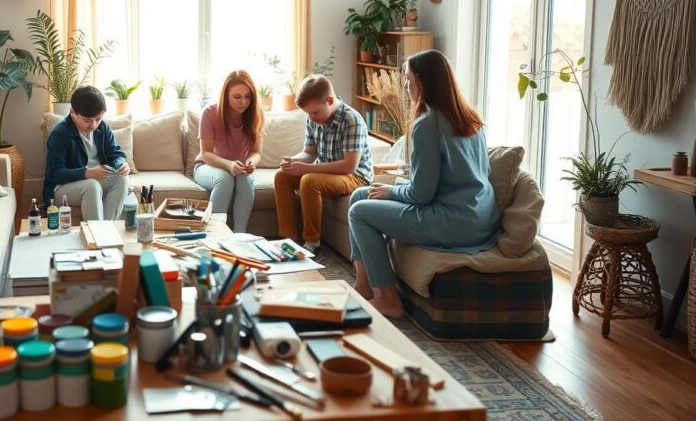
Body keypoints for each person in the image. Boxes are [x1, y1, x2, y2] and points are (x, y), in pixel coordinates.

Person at [348, 50, 499, 318]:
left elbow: (421, 194)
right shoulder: (472, 119)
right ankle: (364, 287)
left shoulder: (428, 125)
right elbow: (472, 174)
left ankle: (388, 299)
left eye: (408, 79)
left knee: (358, 212)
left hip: (452, 221)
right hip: (480, 220)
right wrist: (394, 189)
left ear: (424, 82)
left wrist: (392, 190)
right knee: (360, 195)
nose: (406, 86)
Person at [275, 74, 373, 253]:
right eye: (308, 113)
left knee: (310, 180)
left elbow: (349, 166)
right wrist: (294, 161)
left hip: (355, 177)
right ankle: (288, 239)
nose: (311, 118)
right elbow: (309, 153)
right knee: (282, 176)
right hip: (326, 173)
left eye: (314, 112)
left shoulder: (352, 120)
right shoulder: (314, 120)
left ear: (329, 100)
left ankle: (312, 243)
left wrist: (307, 169)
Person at [44, 85, 131, 220]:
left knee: (122, 178)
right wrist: (86, 173)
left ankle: (106, 230)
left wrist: (121, 163)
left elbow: (116, 153)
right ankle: (96, 234)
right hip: (63, 187)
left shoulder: (103, 127)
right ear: (72, 112)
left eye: (98, 119)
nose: (93, 125)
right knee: (91, 185)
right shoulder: (59, 133)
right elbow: (54, 173)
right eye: (87, 120)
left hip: (95, 180)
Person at [193, 70, 264, 232]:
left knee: (245, 180)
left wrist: (251, 162)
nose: (243, 102)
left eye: (248, 96)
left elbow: (256, 152)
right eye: (237, 97)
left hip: (238, 168)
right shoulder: (210, 113)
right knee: (225, 179)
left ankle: (239, 235)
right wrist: (229, 165)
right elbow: (206, 154)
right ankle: (214, 233)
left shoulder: (256, 114)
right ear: (226, 95)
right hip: (206, 166)